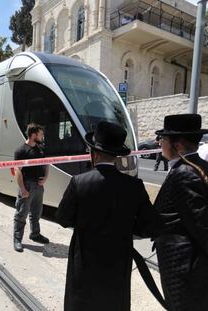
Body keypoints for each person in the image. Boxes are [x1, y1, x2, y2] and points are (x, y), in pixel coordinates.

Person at [56, 121, 161, 311]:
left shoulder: (79, 182)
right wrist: (127, 227)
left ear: (93, 153)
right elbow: (151, 225)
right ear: (117, 156)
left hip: (84, 264)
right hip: (117, 264)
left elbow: (63, 218)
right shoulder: (134, 186)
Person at [153, 114, 208, 310]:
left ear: (177, 145)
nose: (159, 143)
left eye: (163, 139)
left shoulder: (183, 174)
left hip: (184, 269)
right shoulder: (197, 167)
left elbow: (201, 227)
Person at [13, 123, 49, 252]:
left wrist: (45, 178)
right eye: (40, 134)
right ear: (33, 135)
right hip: (27, 185)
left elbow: (46, 163)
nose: (42, 136)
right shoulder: (21, 150)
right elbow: (17, 170)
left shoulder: (40, 148)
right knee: (21, 213)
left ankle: (35, 234)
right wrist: (22, 189)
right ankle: (17, 239)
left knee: (36, 212)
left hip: (39, 186)